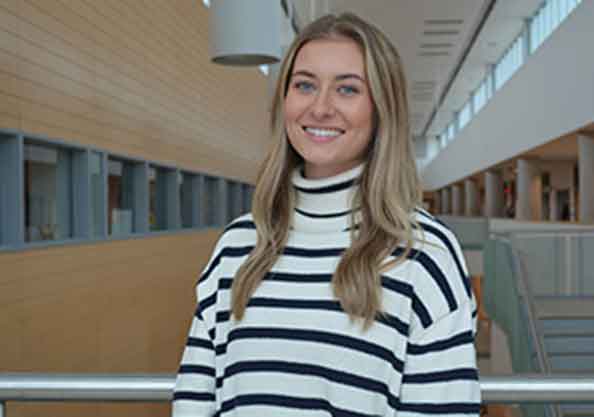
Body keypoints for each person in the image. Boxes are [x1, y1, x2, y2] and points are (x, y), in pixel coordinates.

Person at [173, 12, 480, 417]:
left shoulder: (423, 254)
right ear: (284, 101)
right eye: (304, 85)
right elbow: (194, 403)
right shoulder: (238, 245)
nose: (320, 108)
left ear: (382, 109)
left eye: (347, 89)